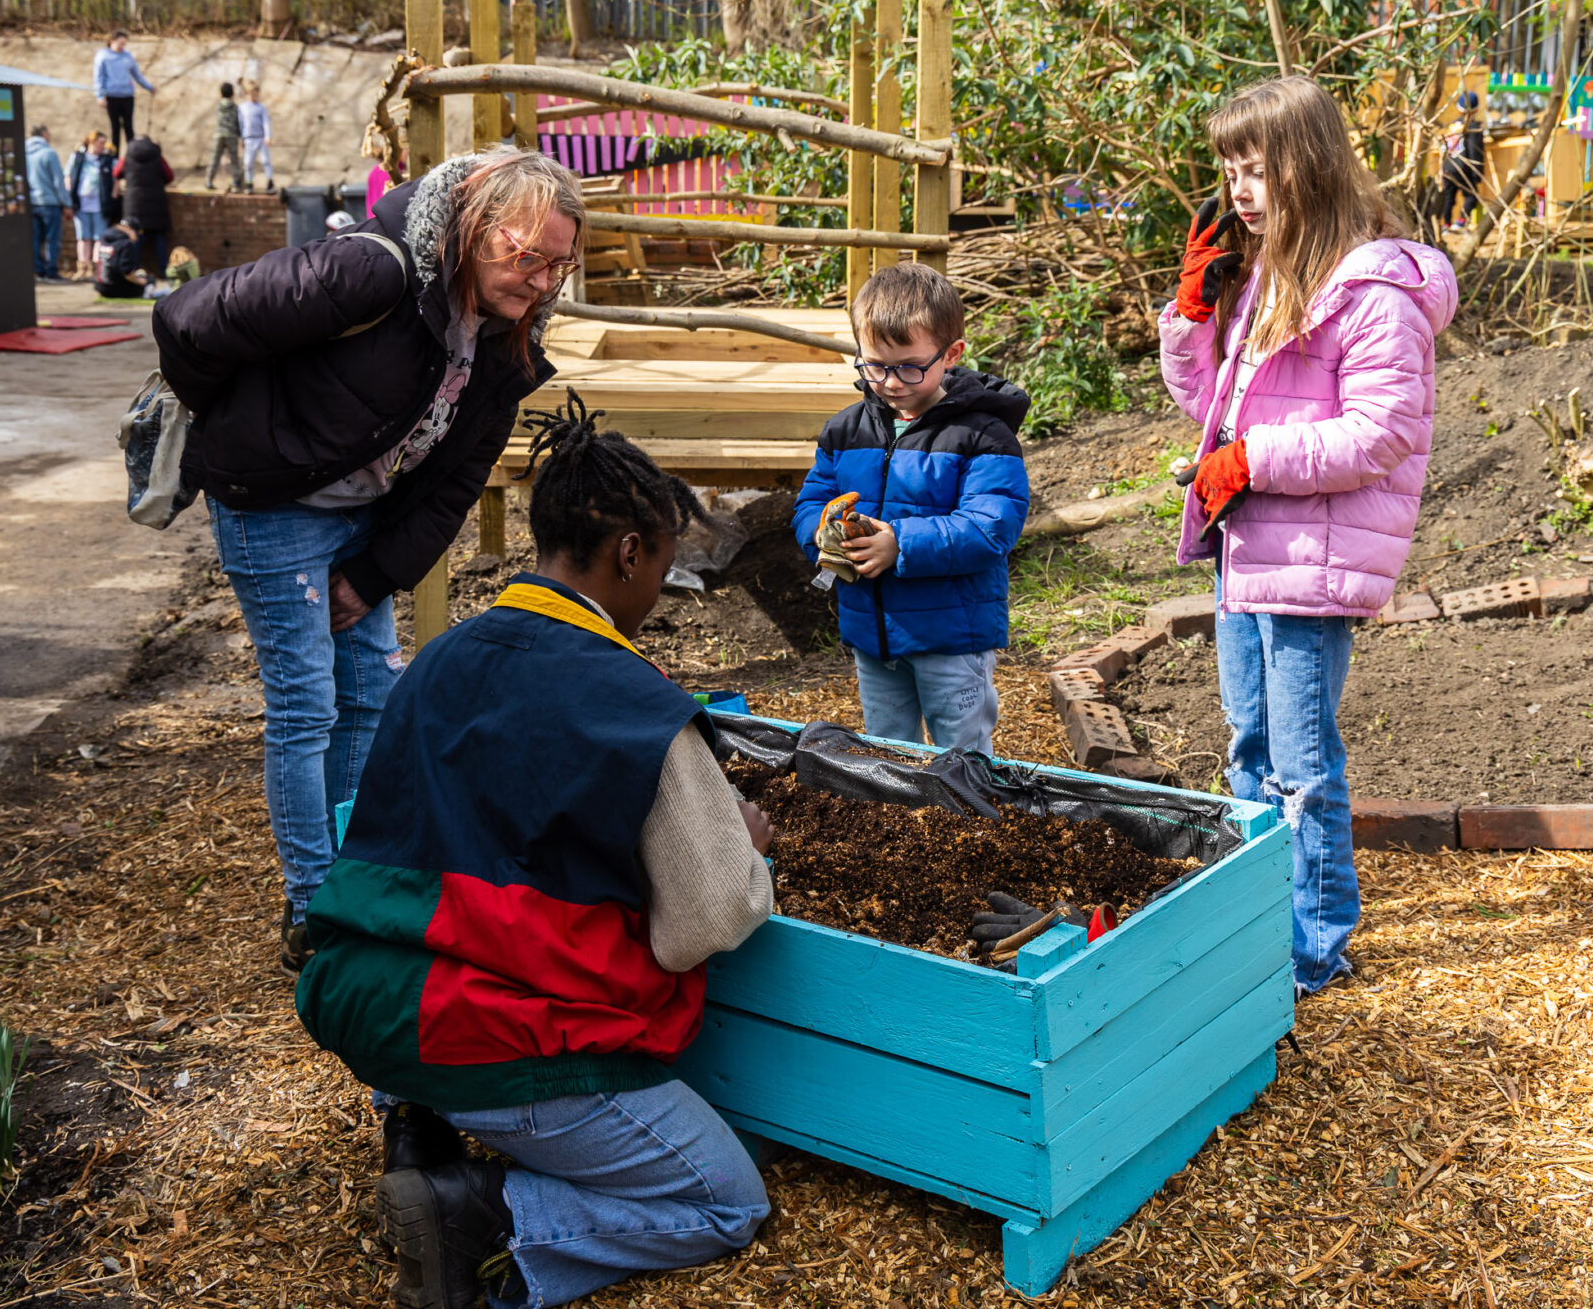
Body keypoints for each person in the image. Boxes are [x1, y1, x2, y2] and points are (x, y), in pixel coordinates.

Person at [295, 393, 775, 1309]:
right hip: (484, 1031)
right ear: (630, 553)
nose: (657, 597)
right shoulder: (634, 704)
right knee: (725, 1201)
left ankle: (415, 1122)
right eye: (663, 567)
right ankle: (480, 1211)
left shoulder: (442, 656)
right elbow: (706, 918)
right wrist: (744, 846)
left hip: (361, 994)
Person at [150, 148, 587, 976]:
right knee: (307, 703)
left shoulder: (502, 341)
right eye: (522, 255)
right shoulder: (370, 273)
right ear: (472, 226)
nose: (536, 281)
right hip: (272, 509)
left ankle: (352, 879)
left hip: (361, 519)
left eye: (554, 266)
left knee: (372, 700)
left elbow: (456, 481)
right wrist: (249, 429)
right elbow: (188, 322)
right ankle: (313, 906)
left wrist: (376, 573)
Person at [1159, 74, 1457, 997]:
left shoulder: (1370, 292)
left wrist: (1250, 460)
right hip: (1246, 554)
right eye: (1228, 171)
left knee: (1301, 768)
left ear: (1308, 167)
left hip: (1311, 563)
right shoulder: (1265, 281)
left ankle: (1313, 947)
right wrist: (1190, 320)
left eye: (1256, 170)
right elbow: (1209, 408)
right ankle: (1259, 926)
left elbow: (1384, 432)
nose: (1238, 191)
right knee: (1247, 751)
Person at [790, 262, 1031, 756]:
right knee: (889, 750)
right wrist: (822, 532)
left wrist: (899, 544)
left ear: (952, 355)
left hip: (951, 639)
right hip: (871, 636)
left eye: (909, 367)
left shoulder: (984, 436)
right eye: (875, 365)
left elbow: (991, 528)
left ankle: (968, 822)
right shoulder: (845, 430)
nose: (892, 382)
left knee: (961, 755)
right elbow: (812, 499)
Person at [114, 136, 174, 280]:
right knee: (158, 238)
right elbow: (169, 176)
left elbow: (116, 173)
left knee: (135, 237)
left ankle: (133, 270)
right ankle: (164, 270)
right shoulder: (157, 156)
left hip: (133, 203)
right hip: (156, 202)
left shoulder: (128, 156)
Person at [65, 130, 118, 281]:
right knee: (83, 237)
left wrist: (112, 198)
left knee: (99, 238)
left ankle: (96, 269)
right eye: (101, 142)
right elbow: (68, 176)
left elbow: (116, 181)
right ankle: (83, 268)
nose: (104, 146)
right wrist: (69, 197)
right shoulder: (78, 157)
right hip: (80, 204)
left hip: (100, 204)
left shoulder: (107, 159)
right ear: (92, 142)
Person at [92, 29, 156, 149]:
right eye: (120, 43)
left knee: (129, 127)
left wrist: (149, 87)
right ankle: (114, 159)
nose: (122, 46)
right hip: (111, 96)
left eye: (124, 44)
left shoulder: (127, 56)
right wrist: (101, 96)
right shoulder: (103, 56)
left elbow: (137, 75)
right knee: (115, 128)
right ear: (112, 41)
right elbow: (99, 78)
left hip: (127, 96)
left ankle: (132, 155)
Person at [24, 124, 70, 280]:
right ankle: (51, 271)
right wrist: (66, 203)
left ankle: (38, 270)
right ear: (44, 134)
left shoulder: (23, 152)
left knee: (34, 239)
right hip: (49, 203)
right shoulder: (49, 153)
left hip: (30, 203)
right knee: (52, 239)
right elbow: (58, 182)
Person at [1435, 90, 1484, 231]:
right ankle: (1460, 221)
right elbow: (1474, 151)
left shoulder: (1453, 125)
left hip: (1448, 166)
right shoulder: (1473, 128)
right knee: (1471, 196)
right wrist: (1477, 174)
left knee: (1449, 197)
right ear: (1476, 109)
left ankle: (1446, 224)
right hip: (1464, 167)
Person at [93, 219, 171, 300]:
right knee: (149, 280)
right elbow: (126, 272)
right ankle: (147, 295)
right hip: (114, 289)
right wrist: (144, 282)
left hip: (100, 286)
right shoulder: (126, 243)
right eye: (136, 234)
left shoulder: (104, 237)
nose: (137, 239)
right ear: (128, 228)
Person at [206, 81, 243, 191]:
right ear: (232, 94)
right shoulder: (235, 107)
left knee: (214, 158)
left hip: (219, 134)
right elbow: (238, 122)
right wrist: (240, 135)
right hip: (231, 134)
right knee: (234, 159)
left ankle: (209, 180)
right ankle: (235, 182)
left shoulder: (218, 106)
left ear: (221, 94)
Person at [239, 78, 274, 192]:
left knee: (265, 161)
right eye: (252, 94)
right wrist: (242, 139)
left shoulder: (261, 107)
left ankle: (270, 182)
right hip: (249, 139)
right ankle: (249, 183)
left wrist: (267, 136)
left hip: (260, 138)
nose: (254, 96)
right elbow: (241, 124)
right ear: (248, 94)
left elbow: (266, 122)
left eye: (256, 94)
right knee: (248, 163)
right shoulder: (242, 107)